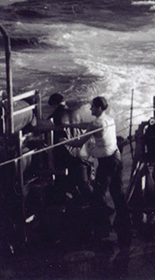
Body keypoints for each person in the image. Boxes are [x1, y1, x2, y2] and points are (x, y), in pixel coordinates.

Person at [71, 96, 131, 247]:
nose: (90, 109)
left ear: (98, 108)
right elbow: (91, 126)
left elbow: (79, 143)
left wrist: (62, 142)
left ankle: (103, 230)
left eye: (92, 107)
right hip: (117, 157)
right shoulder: (109, 119)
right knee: (118, 192)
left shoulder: (95, 123)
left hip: (106, 163)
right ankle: (125, 225)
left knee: (98, 195)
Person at [47, 93, 92, 199]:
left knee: (65, 184)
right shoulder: (76, 113)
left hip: (64, 156)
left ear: (54, 105)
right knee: (83, 183)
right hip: (80, 152)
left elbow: (58, 138)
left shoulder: (54, 117)